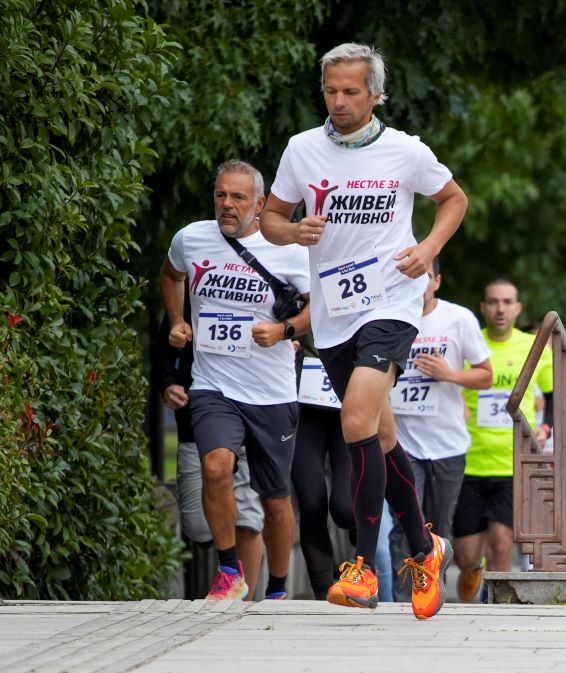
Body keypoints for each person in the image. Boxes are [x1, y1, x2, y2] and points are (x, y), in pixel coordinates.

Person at [261, 43, 467, 618]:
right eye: (331, 91)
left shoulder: (405, 151)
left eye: (352, 91)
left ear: (376, 94)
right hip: (332, 314)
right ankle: (427, 550)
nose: (340, 101)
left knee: (354, 419)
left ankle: (364, 570)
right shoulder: (303, 150)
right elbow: (272, 218)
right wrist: (290, 232)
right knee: (378, 436)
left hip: (392, 303)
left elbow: (454, 199)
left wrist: (427, 248)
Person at [160, 160, 311, 601]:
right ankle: (229, 571)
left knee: (275, 498)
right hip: (213, 384)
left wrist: (284, 331)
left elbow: (318, 309)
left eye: (238, 197)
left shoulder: (288, 250)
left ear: (260, 204)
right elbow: (171, 274)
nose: (227, 204)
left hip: (272, 391)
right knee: (215, 466)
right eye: (221, 195)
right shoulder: (191, 238)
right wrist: (176, 320)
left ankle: (278, 590)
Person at [388, 260, 492, 600]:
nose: (417, 285)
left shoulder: (458, 319)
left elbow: (485, 375)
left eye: (424, 277)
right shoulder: (387, 317)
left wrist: (448, 374)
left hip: (447, 444)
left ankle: (431, 590)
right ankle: (403, 601)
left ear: (437, 281)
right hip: (402, 443)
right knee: (405, 524)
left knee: (437, 527)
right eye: (410, 277)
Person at [154, 304, 266, 600]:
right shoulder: (190, 294)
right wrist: (167, 385)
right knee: (198, 527)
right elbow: (163, 351)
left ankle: (245, 601)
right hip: (197, 424)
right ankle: (230, 568)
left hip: (251, 415)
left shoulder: (266, 284)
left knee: (249, 518)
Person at [452, 279, 553, 600]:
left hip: (513, 464)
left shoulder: (534, 348)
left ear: (517, 308)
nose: (500, 309)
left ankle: (492, 612)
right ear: (483, 308)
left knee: (501, 544)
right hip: (469, 462)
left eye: (507, 302)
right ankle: (476, 579)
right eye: (493, 302)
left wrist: (546, 427)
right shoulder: (469, 345)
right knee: (466, 557)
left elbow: (552, 396)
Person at [291, 338, 356, 600]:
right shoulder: (297, 297)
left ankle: (359, 548)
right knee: (311, 501)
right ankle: (322, 592)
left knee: (346, 509)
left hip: (350, 402)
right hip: (304, 405)